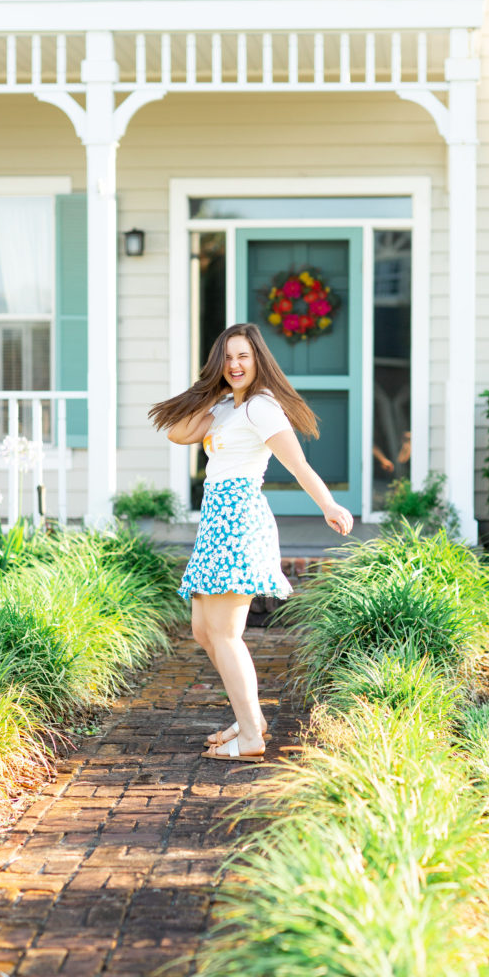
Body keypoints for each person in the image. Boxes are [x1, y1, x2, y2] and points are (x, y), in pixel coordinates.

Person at [148, 323, 353, 763]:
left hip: (238, 519)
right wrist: (211, 394)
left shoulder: (262, 408)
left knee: (225, 633)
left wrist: (329, 505)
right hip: (216, 521)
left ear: (258, 359)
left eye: (242, 356)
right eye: (227, 357)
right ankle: (249, 721)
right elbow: (178, 433)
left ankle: (251, 737)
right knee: (206, 631)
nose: (235, 365)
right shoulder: (226, 405)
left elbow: (297, 465)